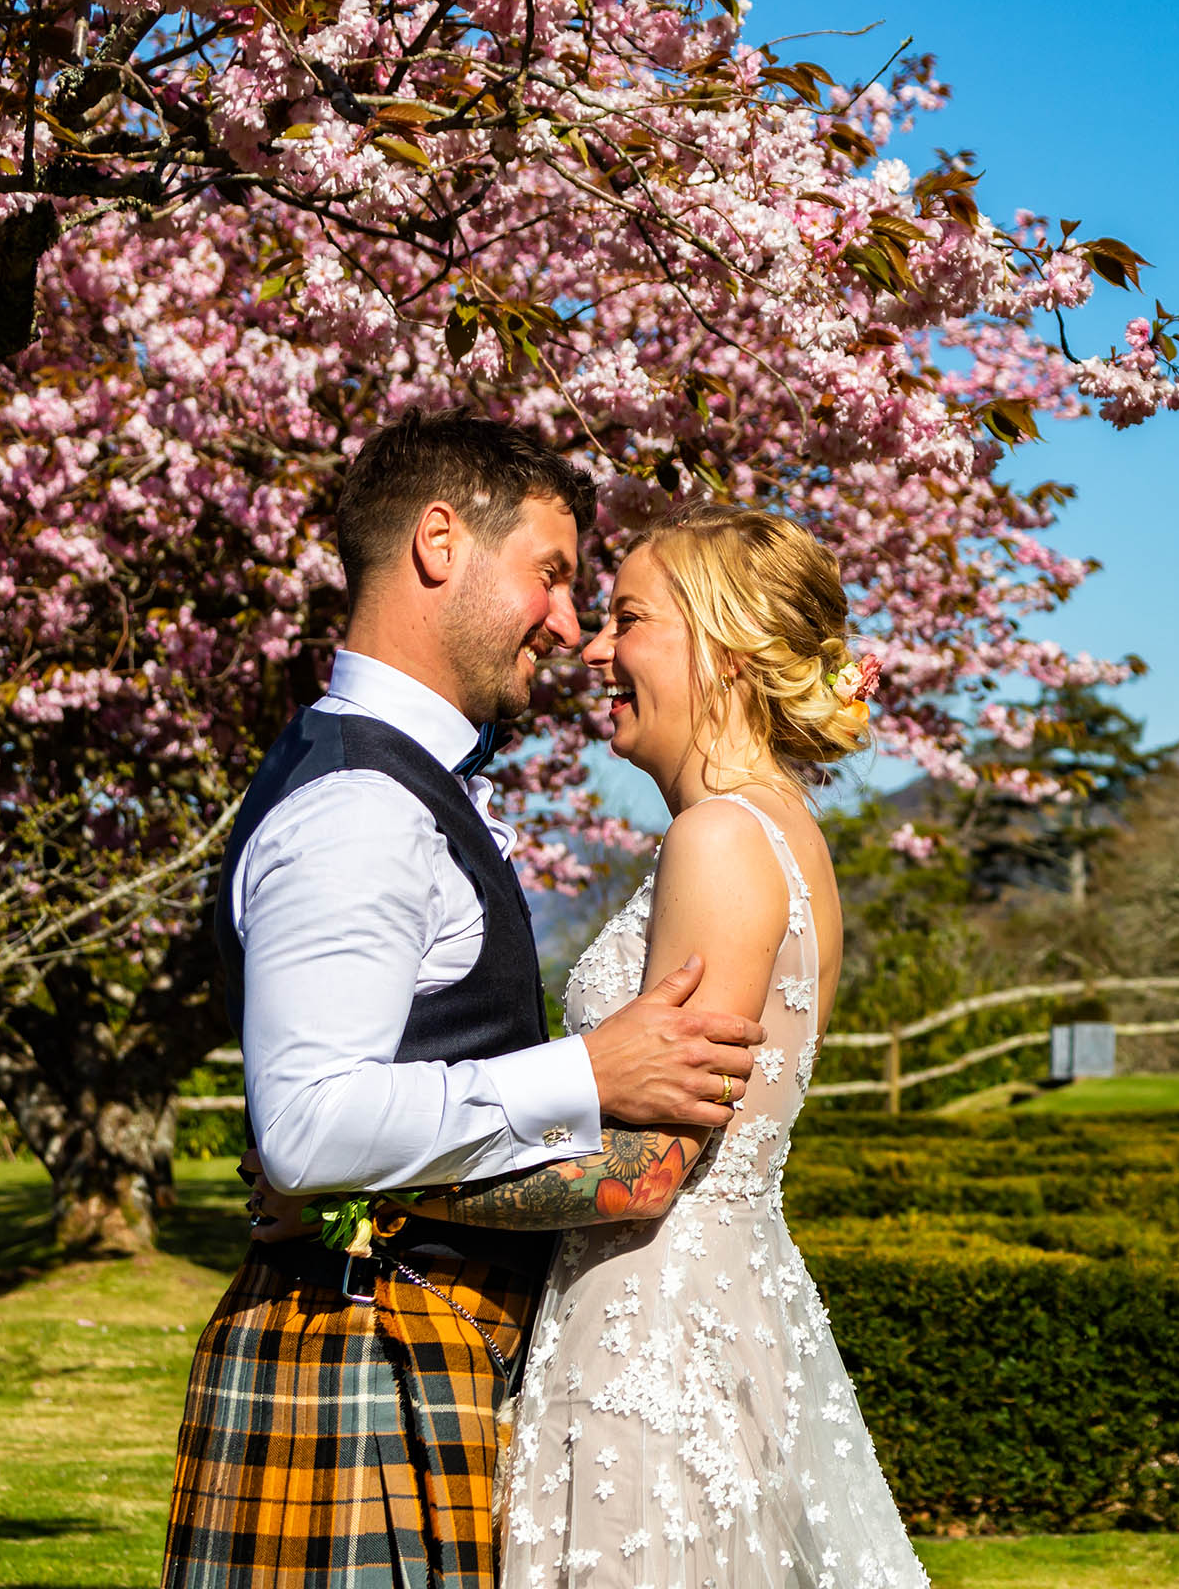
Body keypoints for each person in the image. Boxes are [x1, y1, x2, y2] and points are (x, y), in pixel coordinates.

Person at [267, 502, 928, 1587]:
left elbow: (644, 1172)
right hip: (708, 1313)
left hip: (652, 1339)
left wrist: (364, 1193)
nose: (595, 646)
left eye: (630, 619)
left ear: (723, 649)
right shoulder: (781, 831)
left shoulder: (720, 839)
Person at [162, 414, 764, 1589]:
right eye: (550, 573)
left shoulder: (394, 780)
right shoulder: (361, 806)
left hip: (399, 1340)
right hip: (359, 1357)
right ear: (441, 542)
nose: (570, 623)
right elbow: (310, 1124)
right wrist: (589, 1073)